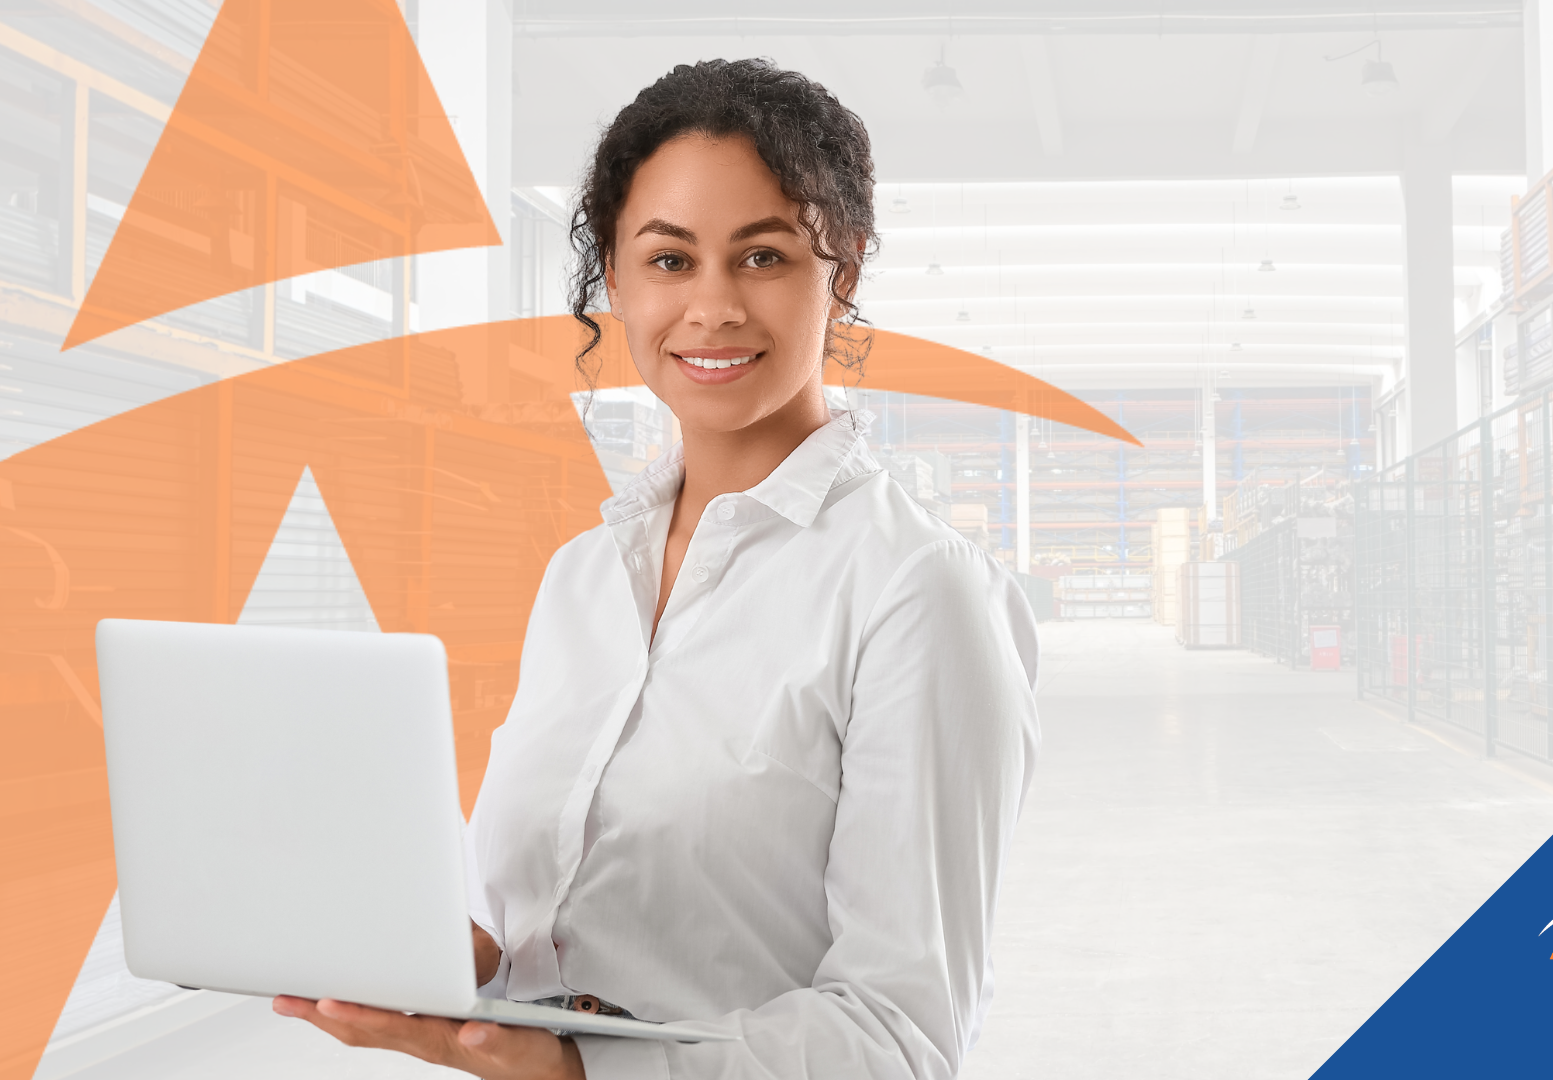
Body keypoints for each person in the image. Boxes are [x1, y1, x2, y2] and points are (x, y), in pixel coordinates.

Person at [272, 58, 1041, 1080]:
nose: (713, 308)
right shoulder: (583, 578)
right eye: (670, 261)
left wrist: (578, 1067)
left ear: (842, 270)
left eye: (762, 257)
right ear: (618, 283)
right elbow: (537, 930)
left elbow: (900, 1040)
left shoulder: (916, 591)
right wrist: (448, 968)